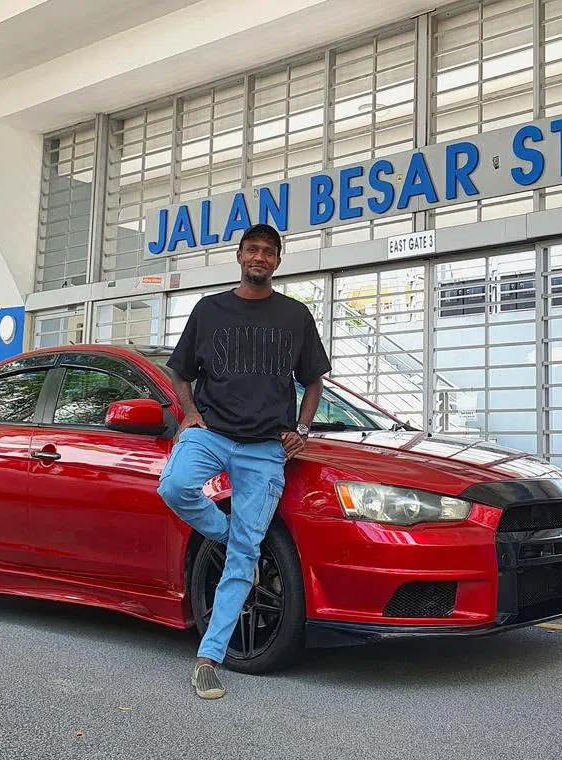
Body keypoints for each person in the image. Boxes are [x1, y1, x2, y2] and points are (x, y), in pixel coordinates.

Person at [157, 223, 330, 700]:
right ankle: (233, 539)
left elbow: (314, 379)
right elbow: (180, 371)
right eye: (252, 249)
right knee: (174, 487)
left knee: (242, 561)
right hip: (210, 434)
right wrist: (189, 414)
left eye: (268, 252)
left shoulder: (294, 316)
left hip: (265, 449)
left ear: (277, 261)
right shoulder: (209, 310)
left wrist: (303, 429)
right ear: (239, 255)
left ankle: (208, 658)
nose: (260, 257)